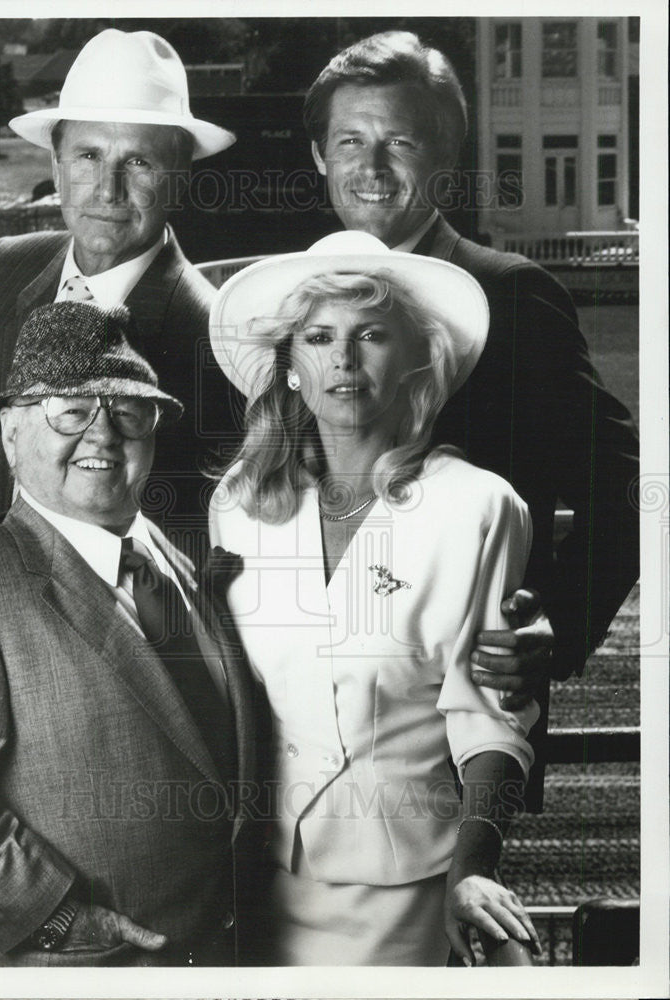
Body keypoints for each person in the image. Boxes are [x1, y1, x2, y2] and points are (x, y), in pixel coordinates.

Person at [302, 31, 640, 805]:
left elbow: (623, 488)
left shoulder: (511, 297)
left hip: (462, 721)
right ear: (320, 157)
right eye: (349, 140)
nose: (371, 167)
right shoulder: (297, 300)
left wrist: (553, 627)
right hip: (304, 728)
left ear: (445, 159)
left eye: (400, 142)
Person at [208, 230, 543, 965]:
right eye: (319, 336)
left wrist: (472, 870)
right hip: (254, 878)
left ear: (415, 361)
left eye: (371, 336)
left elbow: (487, 715)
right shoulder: (239, 505)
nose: (343, 359)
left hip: (407, 880)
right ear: (289, 367)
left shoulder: (477, 507)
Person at [0, 301, 257, 966]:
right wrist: (54, 919)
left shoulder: (172, 563)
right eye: (70, 411)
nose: (103, 435)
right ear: (12, 434)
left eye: (126, 411)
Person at [0, 29, 241, 559]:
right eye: (88, 155)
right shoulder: (5, 266)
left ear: (179, 179)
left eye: (138, 162)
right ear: (56, 170)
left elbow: (197, 553)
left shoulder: (221, 342)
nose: (107, 188)